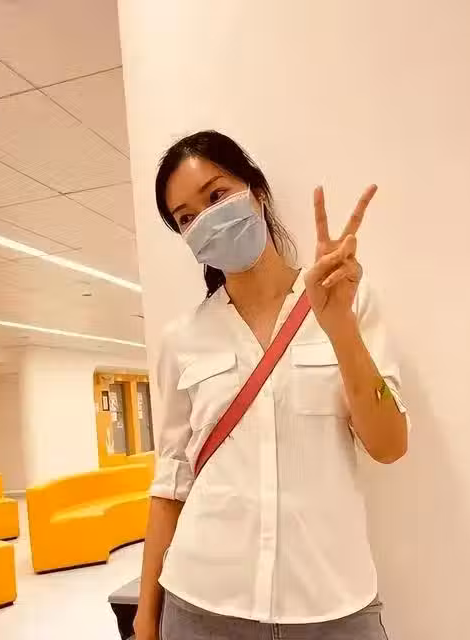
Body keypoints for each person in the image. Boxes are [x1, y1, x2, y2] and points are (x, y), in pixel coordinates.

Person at [134, 130, 409, 640]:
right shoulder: (182, 339)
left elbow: (389, 444)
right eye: (186, 218)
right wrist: (146, 619)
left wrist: (340, 327)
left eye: (217, 195)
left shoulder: (347, 299)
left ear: (256, 192)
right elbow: (170, 487)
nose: (206, 220)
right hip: (201, 605)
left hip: (332, 606)